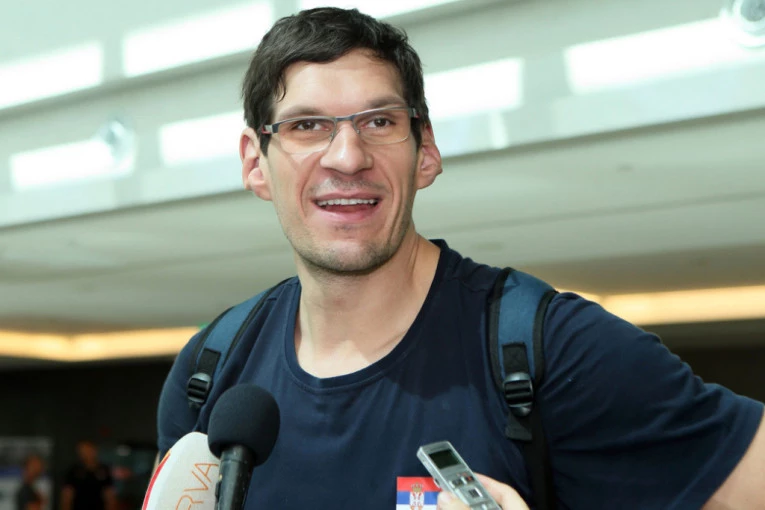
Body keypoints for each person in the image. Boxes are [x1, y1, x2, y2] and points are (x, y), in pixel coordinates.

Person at [157, 7, 765, 509]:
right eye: (307, 125)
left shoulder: (555, 350)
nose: (347, 156)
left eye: (379, 120)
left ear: (425, 152)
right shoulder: (209, 374)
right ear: (254, 162)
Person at [59, 441, 116, 510]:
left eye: (88, 450)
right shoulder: (73, 471)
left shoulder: (104, 470)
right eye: (82, 451)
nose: (86, 454)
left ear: (95, 450)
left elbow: (109, 495)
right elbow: (67, 495)